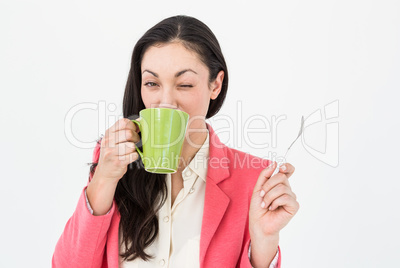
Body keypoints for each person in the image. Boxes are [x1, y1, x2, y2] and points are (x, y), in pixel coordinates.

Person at [52, 15, 299, 268]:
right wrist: (103, 179)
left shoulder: (254, 180)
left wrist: (265, 239)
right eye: (151, 83)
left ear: (216, 84)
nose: (166, 102)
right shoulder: (112, 161)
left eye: (184, 84)